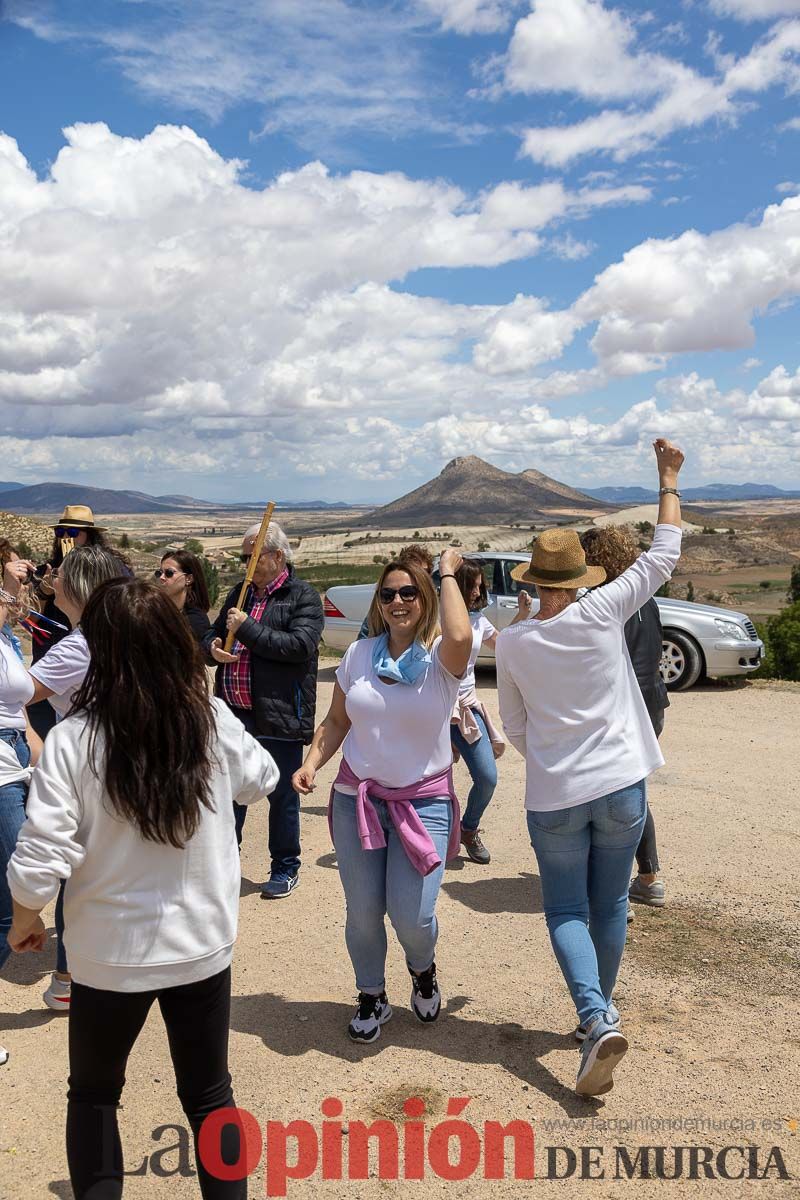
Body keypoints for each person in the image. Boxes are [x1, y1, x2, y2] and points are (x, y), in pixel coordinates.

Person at [7, 577, 279, 1199]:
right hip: (201, 944)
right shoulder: (207, 718)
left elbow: (39, 855)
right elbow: (262, 777)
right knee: (211, 1096)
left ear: (98, 648)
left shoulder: (75, 740)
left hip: (108, 955)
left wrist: (26, 918)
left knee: (96, 1097)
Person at [496, 439, 684, 1097]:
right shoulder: (604, 611)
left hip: (556, 794)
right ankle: (595, 1018)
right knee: (609, 903)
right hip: (622, 783)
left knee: (565, 909)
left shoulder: (515, 642)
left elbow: (514, 726)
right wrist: (666, 479)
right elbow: (665, 553)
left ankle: (595, 1017)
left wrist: (549, 759)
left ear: (533, 582)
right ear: (578, 578)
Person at [293, 549, 472, 1044]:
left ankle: (423, 967)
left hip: (424, 804)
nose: (397, 601)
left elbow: (460, 633)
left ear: (426, 598)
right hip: (359, 800)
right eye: (388, 593)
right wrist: (311, 763)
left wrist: (449, 572)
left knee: (413, 915)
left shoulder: (442, 658)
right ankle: (371, 994)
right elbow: (335, 722)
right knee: (364, 909)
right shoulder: (358, 656)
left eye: (409, 592)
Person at [25, 545, 128, 1012]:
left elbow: (14, 696)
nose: (52, 579)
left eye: (59, 574)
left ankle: (69, 977)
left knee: (78, 877)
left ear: (78, 586)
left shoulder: (75, 646)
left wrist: (30, 740)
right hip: (127, 767)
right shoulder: (124, 637)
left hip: (89, 773)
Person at [204, 522, 324, 899]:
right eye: (243, 557)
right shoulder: (240, 592)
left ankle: (285, 867)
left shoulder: (302, 596)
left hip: (278, 713)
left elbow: (299, 646)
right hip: (232, 713)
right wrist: (213, 647)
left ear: (275, 556)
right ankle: (225, 864)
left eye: (250, 556)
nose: (245, 564)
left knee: (281, 795)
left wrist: (249, 628)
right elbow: (213, 632)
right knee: (229, 792)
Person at [580, 526, 669, 910]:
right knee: (631, 789)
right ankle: (647, 878)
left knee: (607, 794)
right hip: (654, 702)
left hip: (624, 705)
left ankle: (614, 890)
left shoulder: (604, 602)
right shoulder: (643, 596)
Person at [450, 559, 530, 865]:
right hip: (433, 711)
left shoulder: (478, 620)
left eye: (479, 586)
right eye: (472, 585)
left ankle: (468, 829)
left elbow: (504, 646)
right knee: (430, 781)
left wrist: (522, 615)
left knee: (487, 777)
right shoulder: (433, 617)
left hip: (466, 709)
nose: (477, 592)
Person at [0, 557, 42, 1067]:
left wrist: (48, 761)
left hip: (17, 763)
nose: (22, 588)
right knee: (10, 904)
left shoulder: (9, 639)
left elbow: (22, 712)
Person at [29, 506, 116, 740]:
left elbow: (15, 695)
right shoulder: (46, 570)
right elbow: (30, 619)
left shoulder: (80, 646)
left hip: (65, 660)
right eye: (61, 532)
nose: (67, 538)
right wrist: (44, 591)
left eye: (74, 531)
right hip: (50, 657)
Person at [356, 544, 435, 641]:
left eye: (423, 572)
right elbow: (364, 642)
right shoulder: (380, 610)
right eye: (387, 594)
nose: (397, 601)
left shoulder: (437, 647)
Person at [156, 548, 211, 642]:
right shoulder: (158, 612)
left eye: (169, 573)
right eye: (159, 573)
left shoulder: (196, 622)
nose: (161, 577)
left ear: (188, 579)